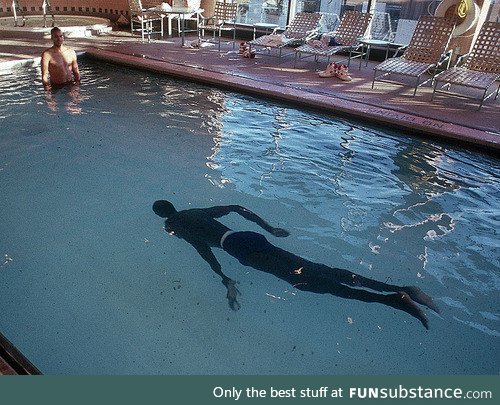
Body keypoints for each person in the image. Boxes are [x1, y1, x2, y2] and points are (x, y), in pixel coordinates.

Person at [153, 200, 440, 329]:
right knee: (316, 268)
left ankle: (394, 301)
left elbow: (205, 253)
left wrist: (223, 278)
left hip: (239, 249)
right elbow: (236, 208)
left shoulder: (178, 227)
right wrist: (270, 228)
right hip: (246, 236)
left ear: (164, 219)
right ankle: (402, 289)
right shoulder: (194, 212)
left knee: (306, 282)